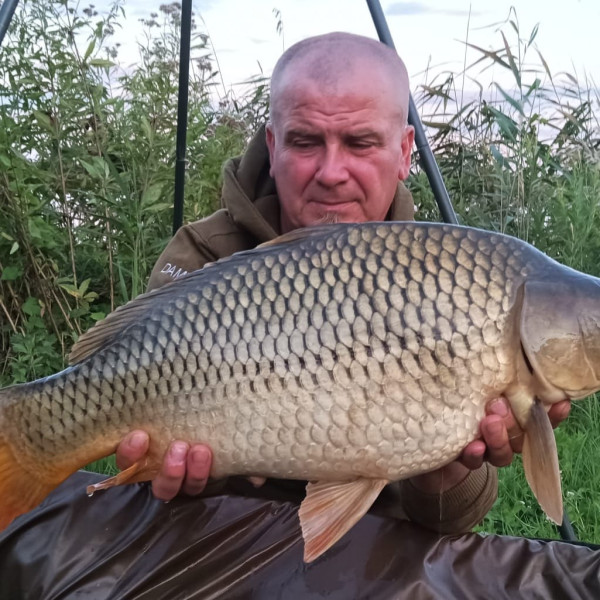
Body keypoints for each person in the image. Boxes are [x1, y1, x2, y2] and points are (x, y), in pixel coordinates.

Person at [115, 32, 570, 531]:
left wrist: (445, 467)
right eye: (305, 142)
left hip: (375, 542)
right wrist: (187, 479)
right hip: (231, 532)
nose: (332, 173)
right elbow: (151, 474)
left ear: (404, 151)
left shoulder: (450, 280)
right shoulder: (206, 257)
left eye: (360, 143)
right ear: (273, 146)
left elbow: (452, 521)